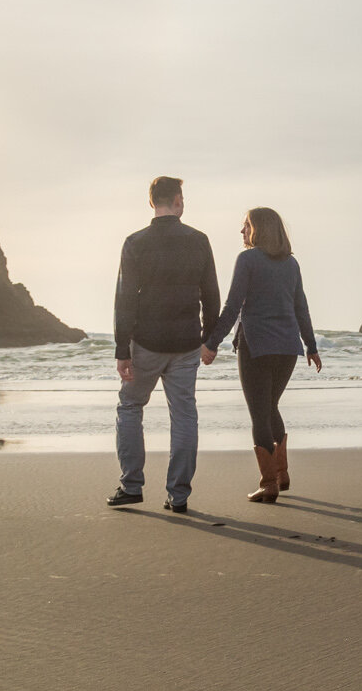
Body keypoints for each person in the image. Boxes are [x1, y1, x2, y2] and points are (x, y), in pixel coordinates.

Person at [109, 176, 219, 512]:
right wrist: (210, 339)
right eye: (182, 197)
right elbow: (211, 294)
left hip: (147, 341)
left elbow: (125, 298)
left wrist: (121, 348)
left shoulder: (135, 242)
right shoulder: (199, 240)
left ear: (151, 201)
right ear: (178, 200)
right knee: (184, 415)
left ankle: (131, 485)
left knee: (130, 407)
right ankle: (179, 495)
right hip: (187, 342)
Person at [203, 206, 320, 503]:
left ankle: (269, 484)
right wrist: (311, 346)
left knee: (260, 413)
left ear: (258, 229)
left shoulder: (248, 259)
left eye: (245, 225)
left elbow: (232, 306)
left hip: (256, 346)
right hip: (288, 349)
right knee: (270, 407)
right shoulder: (291, 265)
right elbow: (301, 308)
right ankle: (282, 475)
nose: (241, 231)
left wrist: (212, 342)